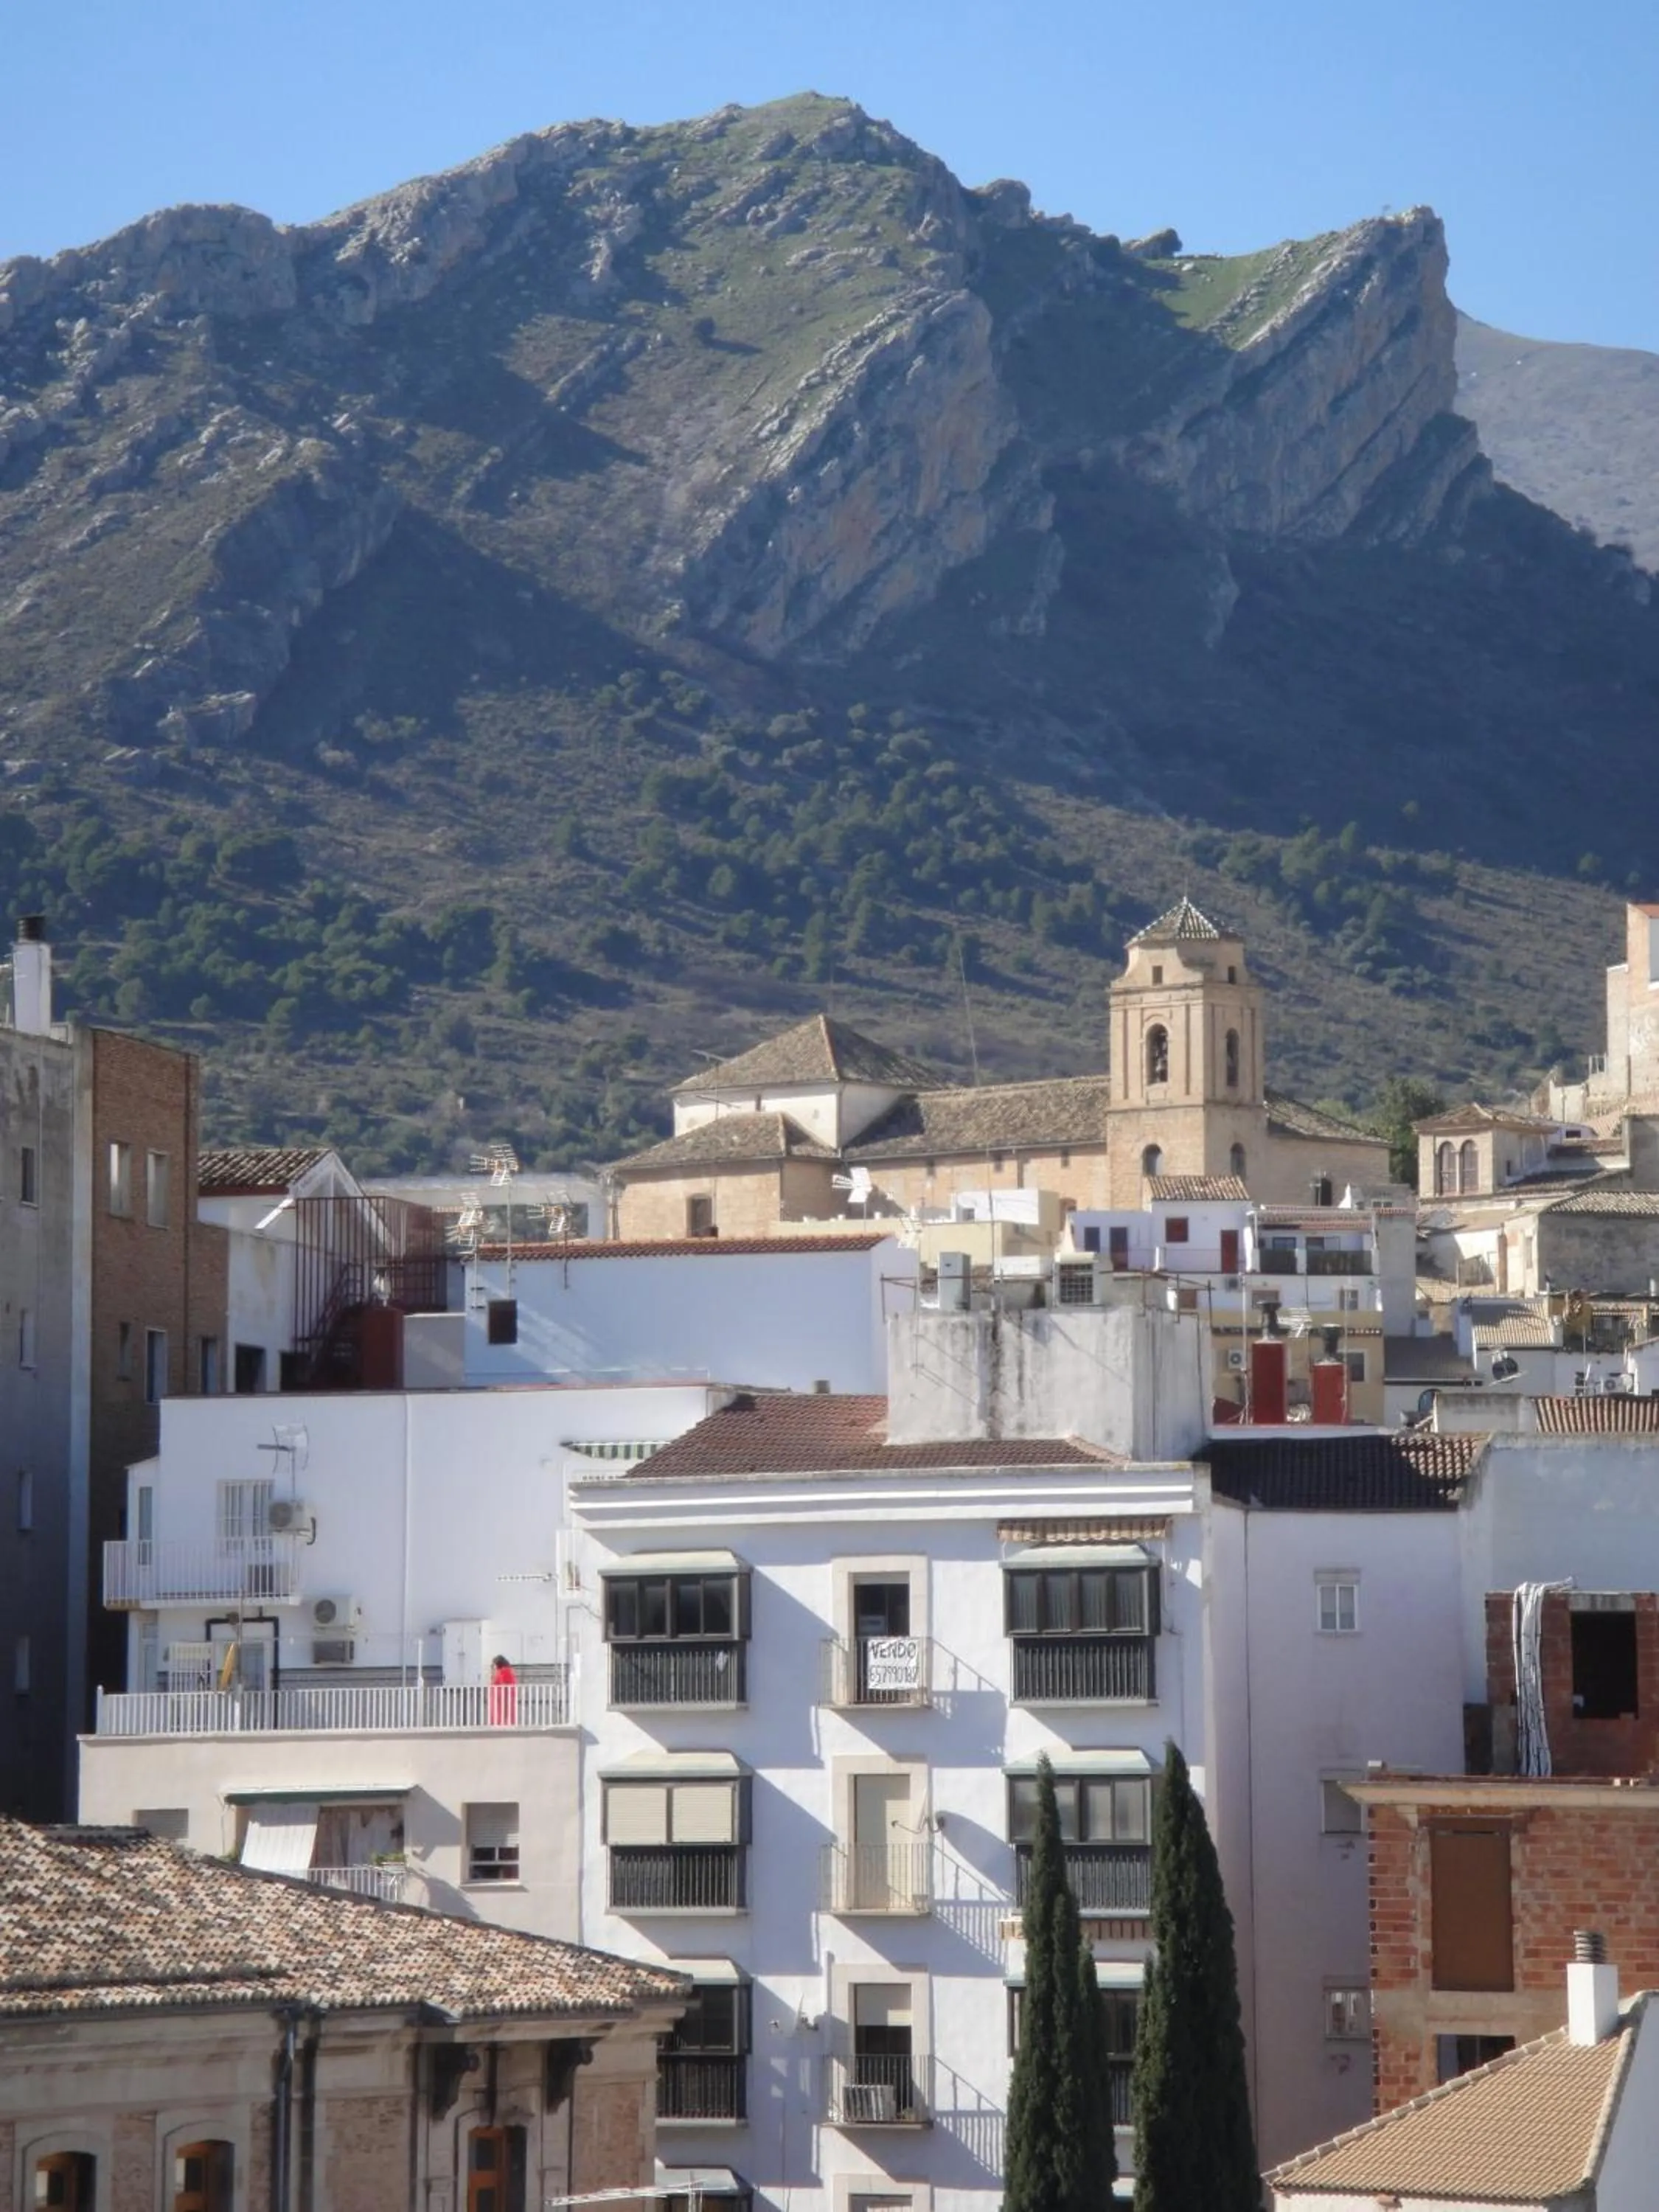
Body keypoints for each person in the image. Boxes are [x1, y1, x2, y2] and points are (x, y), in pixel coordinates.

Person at [488, 1651, 518, 1725]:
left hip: (502, 1697)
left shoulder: (504, 1671)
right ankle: (503, 1722)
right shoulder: (503, 1671)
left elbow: (505, 1684)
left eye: (494, 1664)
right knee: (502, 1711)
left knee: (503, 1711)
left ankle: (503, 1723)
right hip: (501, 1697)